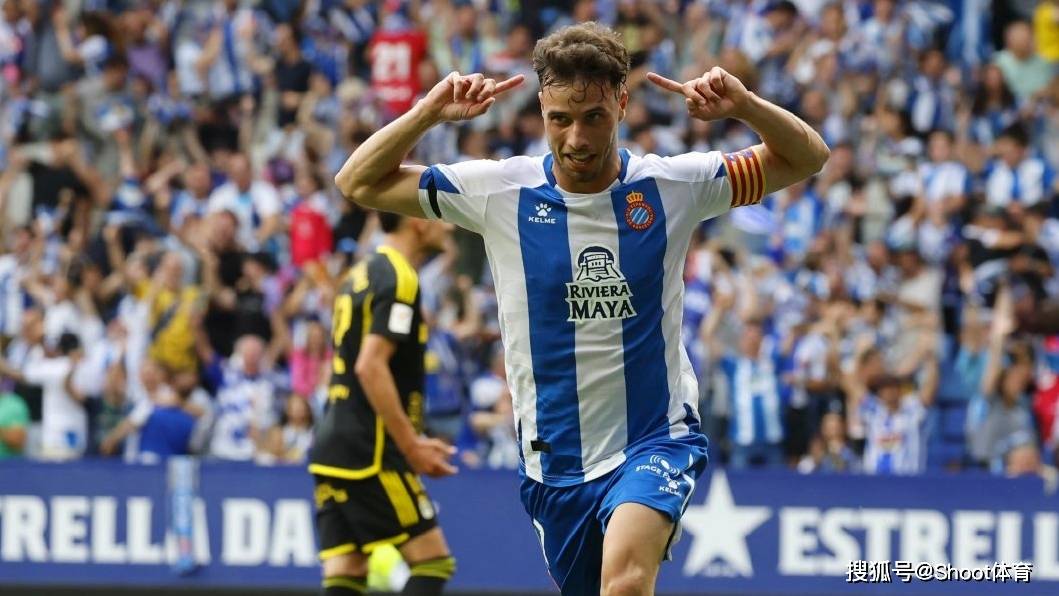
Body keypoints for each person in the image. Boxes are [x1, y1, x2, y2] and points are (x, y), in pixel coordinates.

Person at [333, 21, 828, 596]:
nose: (577, 138)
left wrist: (745, 106)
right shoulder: (499, 191)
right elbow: (357, 183)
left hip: (654, 439)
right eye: (560, 119)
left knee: (626, 582)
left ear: (621, 104)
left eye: (594, 117)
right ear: (542, 111)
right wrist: (427, 113)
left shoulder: (673, 186)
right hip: (555, 465)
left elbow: (807, 157)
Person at [308, 211, 457, 596]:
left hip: (332, 441)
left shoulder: (359, 273)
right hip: (370, 450)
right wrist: (411, 445)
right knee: (432, 561)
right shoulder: (400, 277)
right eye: (439, 215)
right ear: (417, 222)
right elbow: (369, 365)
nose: (448, 225)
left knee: (347, 570)